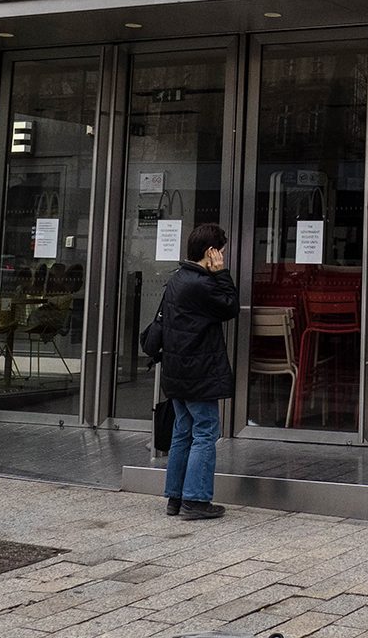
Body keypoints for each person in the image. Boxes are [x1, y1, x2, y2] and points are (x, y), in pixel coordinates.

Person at [159, 222, 238, 520]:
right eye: (222, 253)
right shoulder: (202, 283)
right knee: (205, 432)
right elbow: (230, 307)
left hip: (177, 370)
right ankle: (196, 500)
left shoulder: (179, 277)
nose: (223, 258)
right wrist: (222, 275)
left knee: (183, 432)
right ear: (211, 252)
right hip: (199, 371)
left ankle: (175, 498)